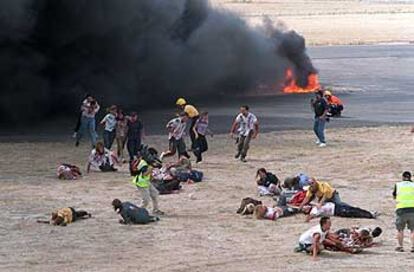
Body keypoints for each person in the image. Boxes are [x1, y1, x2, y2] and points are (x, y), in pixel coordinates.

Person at [393, 171, 414, 252]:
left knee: (400, 229)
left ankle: (400, 246)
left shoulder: (398, 185)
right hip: (413, 209)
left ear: (402, 177)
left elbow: (394, 196)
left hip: (401, 209)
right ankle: (413, 247)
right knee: (413, 229)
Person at [304, 202, 376, 221]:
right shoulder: (313, 211)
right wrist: (308, 216)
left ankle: (370, 213)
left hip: (336, 205)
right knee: (353, 212)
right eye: (305, 208)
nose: (306, 207)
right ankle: (370, 216)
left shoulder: (313, 206)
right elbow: (310, 217)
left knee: (355, 209)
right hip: (336, 211)